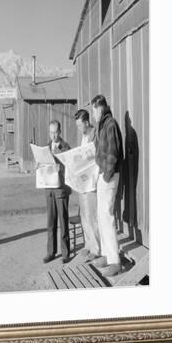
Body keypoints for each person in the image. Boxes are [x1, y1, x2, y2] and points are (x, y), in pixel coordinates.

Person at [91, 95, 124, 277]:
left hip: (109, 177)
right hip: (104, 175)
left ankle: (115, 262)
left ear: (100, 108)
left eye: (94, 110)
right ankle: (105, 254)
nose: (93, 114)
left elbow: (113, 154)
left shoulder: (110, 124)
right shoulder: (103, 125)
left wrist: (106, 175)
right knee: (101, 216)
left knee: (107, 215)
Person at [38, 120, 71, 264]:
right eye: (51, 132)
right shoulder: (45, 148)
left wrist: (61, 168)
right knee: (50, 222)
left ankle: (65, 253)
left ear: (60, 131)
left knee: (63, 221)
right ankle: (51, 252)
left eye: (56, 132)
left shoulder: (66, 147)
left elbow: (71, 167)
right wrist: (38, 165)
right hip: (49, 189)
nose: (53, 135)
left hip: (61, 189)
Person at [74, 109, 101, 261]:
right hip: (82, 181)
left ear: (86, 122)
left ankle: (96, 248)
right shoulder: (84, 137)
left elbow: (95, 157)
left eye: (80, 125)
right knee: (84, 215)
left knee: (92, 216)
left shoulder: (94, 135)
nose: (79, 129)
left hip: (91, 182)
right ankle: (88, 244)